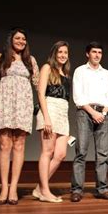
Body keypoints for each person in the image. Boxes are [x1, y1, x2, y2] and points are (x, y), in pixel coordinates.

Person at [0, 28, 39, 205]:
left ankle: (13, 188)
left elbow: (38, 85)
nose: (21, 41)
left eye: (24, 39)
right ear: (10, 39)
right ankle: (4, 187)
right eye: (18, 38)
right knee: (5, 145)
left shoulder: (30, 60)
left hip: (23, 105)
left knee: (19, 145)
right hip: (4, 104)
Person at [70, 42, 108, 202]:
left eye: (99, 52)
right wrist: (93, 112)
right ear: (87, 54)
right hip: (85, 112)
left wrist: (102, 113)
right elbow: (78, 97)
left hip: (103, 114)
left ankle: (102, 189)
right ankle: (76, 190)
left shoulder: (107, 74)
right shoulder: (80, 71)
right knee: (81, 152)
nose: (97, 55)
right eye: (94, 52)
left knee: (103, 153)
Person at [33, 41, 71, 203]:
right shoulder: (47, 68)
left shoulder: (66, 73)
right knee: (47, 152)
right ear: (55, 53)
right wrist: (46, 118)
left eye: (65, 52)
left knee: (61, 153)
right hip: (50, 109)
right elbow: (41, 94)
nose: (63, 55)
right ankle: (45, 191)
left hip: (63, 112)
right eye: (60, 52)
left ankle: (38, 188)